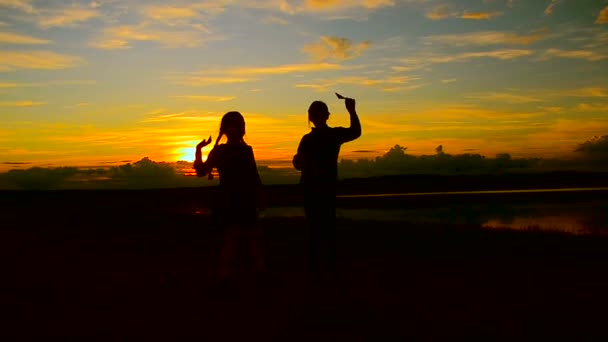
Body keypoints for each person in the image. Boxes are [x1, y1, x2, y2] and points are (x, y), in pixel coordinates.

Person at [292, 94, 361, 283]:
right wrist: (352, 111)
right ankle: (329, 268)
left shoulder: (308, 139)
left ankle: (317, 270)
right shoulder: (332, 135)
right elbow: (356, 132)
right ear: (327, 115)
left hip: (312, 189)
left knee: (315, 230)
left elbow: (298, 164)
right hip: (326, 188)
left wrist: (299, 162)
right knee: (327, 230)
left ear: (311, 116)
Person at [193, 111, 265, 287]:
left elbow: (254, 176)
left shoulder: (245, 150)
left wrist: (260, 196)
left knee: (252, 239)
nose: (239, 128)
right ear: (226, 129)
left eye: (240, 125)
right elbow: (202, 171)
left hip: (243, 200)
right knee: (231, 240)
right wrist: (198, 150)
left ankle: (256, 275)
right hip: (229, 201)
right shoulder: (220, 151)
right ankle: (228, 278)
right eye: (236, 125)